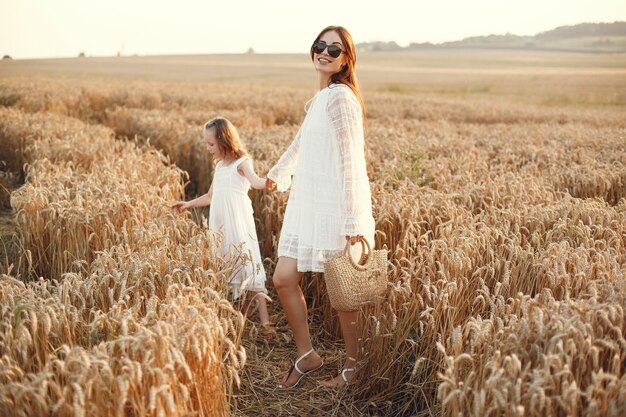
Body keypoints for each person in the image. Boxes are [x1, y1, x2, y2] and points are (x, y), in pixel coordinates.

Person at [265, 25, 375, 389]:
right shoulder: (322, 97)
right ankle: (306, 355)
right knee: (283, 278)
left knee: (343, 293)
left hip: (334, 209)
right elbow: (299, 144)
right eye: (320, 45)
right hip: (307, 206)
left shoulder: (342, 97)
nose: (325, 53)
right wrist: (276, 174)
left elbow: (350, 161)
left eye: (334, 49)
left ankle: (354, 371)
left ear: (346, 59)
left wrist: (352, 219)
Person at [172, 117, 272, 327]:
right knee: (230, 266)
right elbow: (210, 196)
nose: (208, 148)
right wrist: (187, 204)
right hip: (221, 225)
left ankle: (265, 322)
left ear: (224, 140)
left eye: (211, 144)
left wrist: (271, 182)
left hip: (239, 223)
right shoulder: (219, 167)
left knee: (249, 265)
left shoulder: (241, 162)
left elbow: (255, 182)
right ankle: (240, 318)